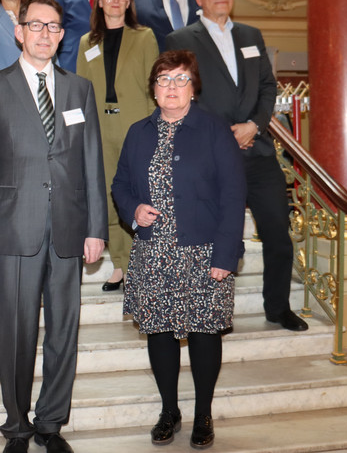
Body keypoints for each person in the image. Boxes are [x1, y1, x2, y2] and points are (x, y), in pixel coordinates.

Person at [0, 0, 108, 453]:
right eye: (36, 26)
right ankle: (17, 424)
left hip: (69, 228)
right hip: (12, 231)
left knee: (63, 331)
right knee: (16, 332)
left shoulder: (79, 89)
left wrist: (97, 228)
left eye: (53, 27)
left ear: (62, 35)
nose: (44, 34)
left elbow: (91, 162)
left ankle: (51, 422)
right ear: (19, 32)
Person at [112, 50, 246, 449]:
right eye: (164, 80)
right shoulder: (138, 132)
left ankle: (203, 413)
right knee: (160, 334)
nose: (172, 87)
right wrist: (133, 210)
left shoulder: (214, 130)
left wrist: (226, 255)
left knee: (205, 334)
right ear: (153, 89)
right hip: (153, 251)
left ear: (193, 87)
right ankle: (169, 410)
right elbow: (119, 184)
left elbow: (233, 193)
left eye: (180, 79)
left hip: (204, 252)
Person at [166, 0, 309, 333]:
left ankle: (278, 308)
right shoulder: (180, 38)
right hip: (209, 155)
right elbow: (179, 95)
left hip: (257, 151)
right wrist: (219, 134)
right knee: (213, 238)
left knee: (278, 231)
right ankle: (210, 311)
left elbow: (267, 87)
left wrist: (253, 125)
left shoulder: (251, 34)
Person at [76, 0, 158, 292]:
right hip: (99, 125)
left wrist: (157, 127)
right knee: (110, 196)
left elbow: (154, 85)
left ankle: (141, 263)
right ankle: (120, 265)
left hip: (137, 124)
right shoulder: (87, 43)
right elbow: (81, 91)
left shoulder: (144, 36)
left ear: (128, 1)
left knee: (138, 193)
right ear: (99, 2)